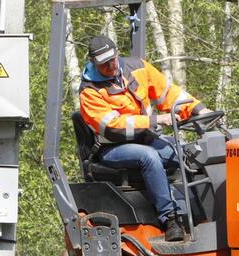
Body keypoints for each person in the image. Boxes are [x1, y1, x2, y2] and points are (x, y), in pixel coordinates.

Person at [78, 35, 212, 242]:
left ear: (117, 54)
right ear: (93, 63)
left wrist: (197, 109)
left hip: (145, 137)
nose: (110, 66)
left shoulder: (138, 67)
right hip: (112, 148)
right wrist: (155, 120)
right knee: (148, 157)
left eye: (112, 60)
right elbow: (114, 128)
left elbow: (168, 93)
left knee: (189, 153)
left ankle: (203, 215)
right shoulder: (90, 91)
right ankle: (170, 219)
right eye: (103, 64)